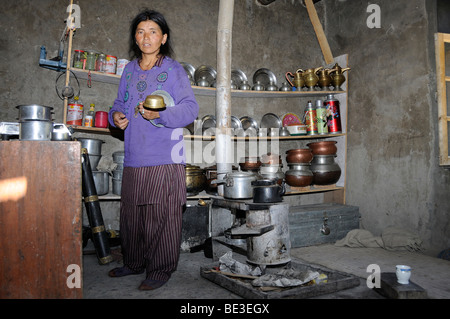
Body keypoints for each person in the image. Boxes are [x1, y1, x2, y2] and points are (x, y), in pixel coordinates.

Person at [107, 9, 199, 290]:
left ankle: (159, 270)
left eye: (153, 32)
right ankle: (134, 263)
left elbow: (190, 109)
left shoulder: (172, 69)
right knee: (132, 216)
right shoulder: (130, 70)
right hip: (135, 156)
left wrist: (159, 115)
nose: (146, 37)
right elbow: (119, 104)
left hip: (164, 157)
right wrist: (116, 117)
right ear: (135, 38)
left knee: (162, 216)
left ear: (163, 38)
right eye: (140, 32)